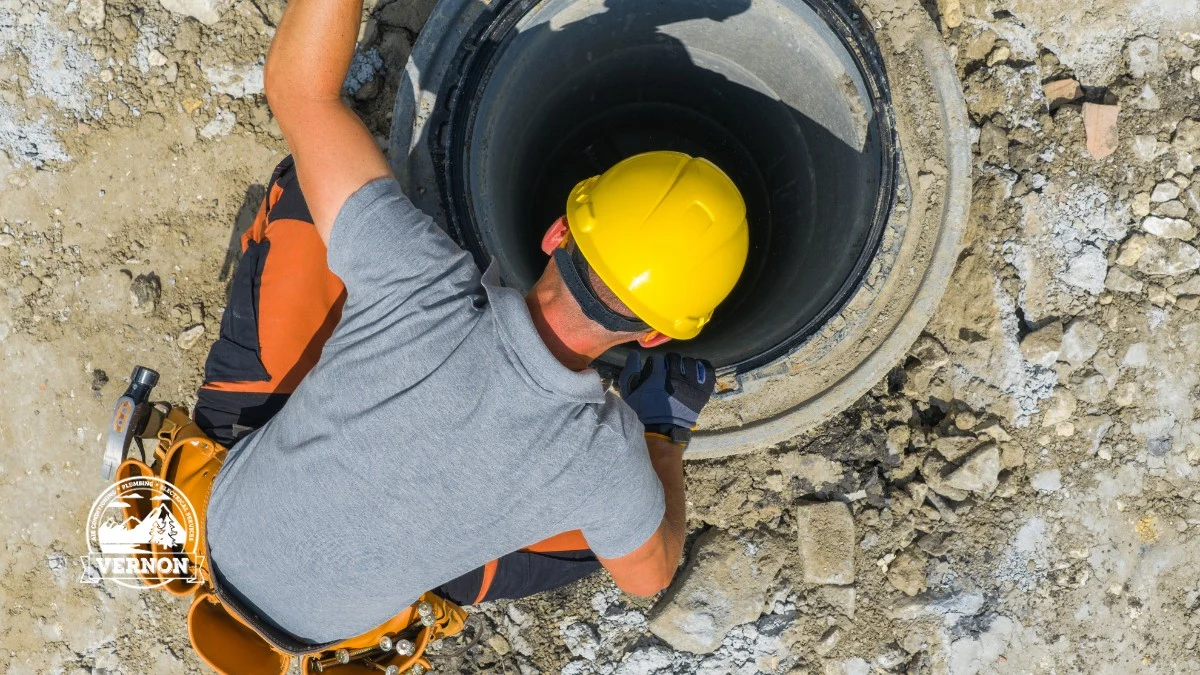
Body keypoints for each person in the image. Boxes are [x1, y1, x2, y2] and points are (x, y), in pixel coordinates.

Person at [194, 0, 750, 644]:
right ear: (658, 333)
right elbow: (651, 576)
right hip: (329, 626)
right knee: (618, 534)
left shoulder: (419, 281)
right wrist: (661, 437)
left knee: (308, 191)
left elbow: (300, 94)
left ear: (555, 232)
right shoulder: (603, 462)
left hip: (223, 517)